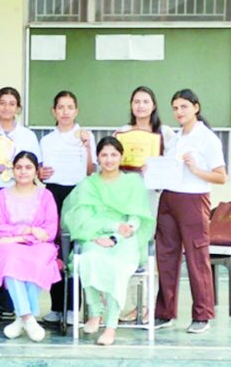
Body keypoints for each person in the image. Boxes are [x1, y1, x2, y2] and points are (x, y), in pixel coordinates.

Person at [61, 136, 154, 346]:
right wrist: (102, 234)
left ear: (121, 157)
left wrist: (118, 234)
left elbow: (137, 217)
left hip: (125, 239)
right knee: (88, 258)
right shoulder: (89, 184)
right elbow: (81, 216)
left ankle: (111, 326)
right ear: (98, 158)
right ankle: (95, 312)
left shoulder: (132, 182)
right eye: (104, 155)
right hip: (94, 235)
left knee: (115, 268)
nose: (109, 159)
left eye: (114, 155)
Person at [155, 89, 227, 334]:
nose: (179, 112)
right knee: (165, 256)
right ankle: (164, 312)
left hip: (193, 200)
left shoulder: (207, 138)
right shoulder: (175, 137)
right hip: (168, 198)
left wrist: (196, 170)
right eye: (175, 108)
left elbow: (221, 177)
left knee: (196, 258)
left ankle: (202, 314)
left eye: (184, 106)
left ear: (196, 107)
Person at [0, 87, 41, 313]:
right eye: (2, 103)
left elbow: (37, 167)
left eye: (12, 103)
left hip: (19, 194)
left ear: (18, 108)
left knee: (18, 244)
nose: (6, 107)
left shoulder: (27, 136)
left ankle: (15, 303)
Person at [115, 86, 174, 322]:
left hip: (154, 196)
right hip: (127, 196)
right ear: (131, 105)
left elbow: (172, 166)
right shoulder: (123, 133)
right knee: (129, 246)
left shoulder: (165, 133)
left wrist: (155, 168)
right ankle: (130, 305)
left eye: (145, 101)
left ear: (154, 105)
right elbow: (111, 164)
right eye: (136, 101)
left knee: (151, 250)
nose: (140, 105)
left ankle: (151, 305)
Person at [0, 151, 61, 342]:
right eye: (19, 167)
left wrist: (20, 236)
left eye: (28, 167)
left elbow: (49, 232)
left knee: (37, 261)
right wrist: (29, 229)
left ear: (36, 171)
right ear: (13, 170)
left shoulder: (46, 196)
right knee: (11, 261)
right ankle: (29, 318)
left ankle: (21, 318)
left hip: (39, 246)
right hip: (11, 246)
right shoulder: (2, 196)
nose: (23, 172)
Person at [38, 91, 95, 324]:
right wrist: (40, 174)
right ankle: (56, 306)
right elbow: (39, 173)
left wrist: (87, 146)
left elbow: (91, 171)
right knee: (54, 248)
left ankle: (73, 308)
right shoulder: (46, 140)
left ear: (76, 111)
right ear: (54, 111)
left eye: (70, 107)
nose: (65, 112)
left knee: (75, 248)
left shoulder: (85, 136)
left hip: (78, 193)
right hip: (53, 193)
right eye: (60, 107)